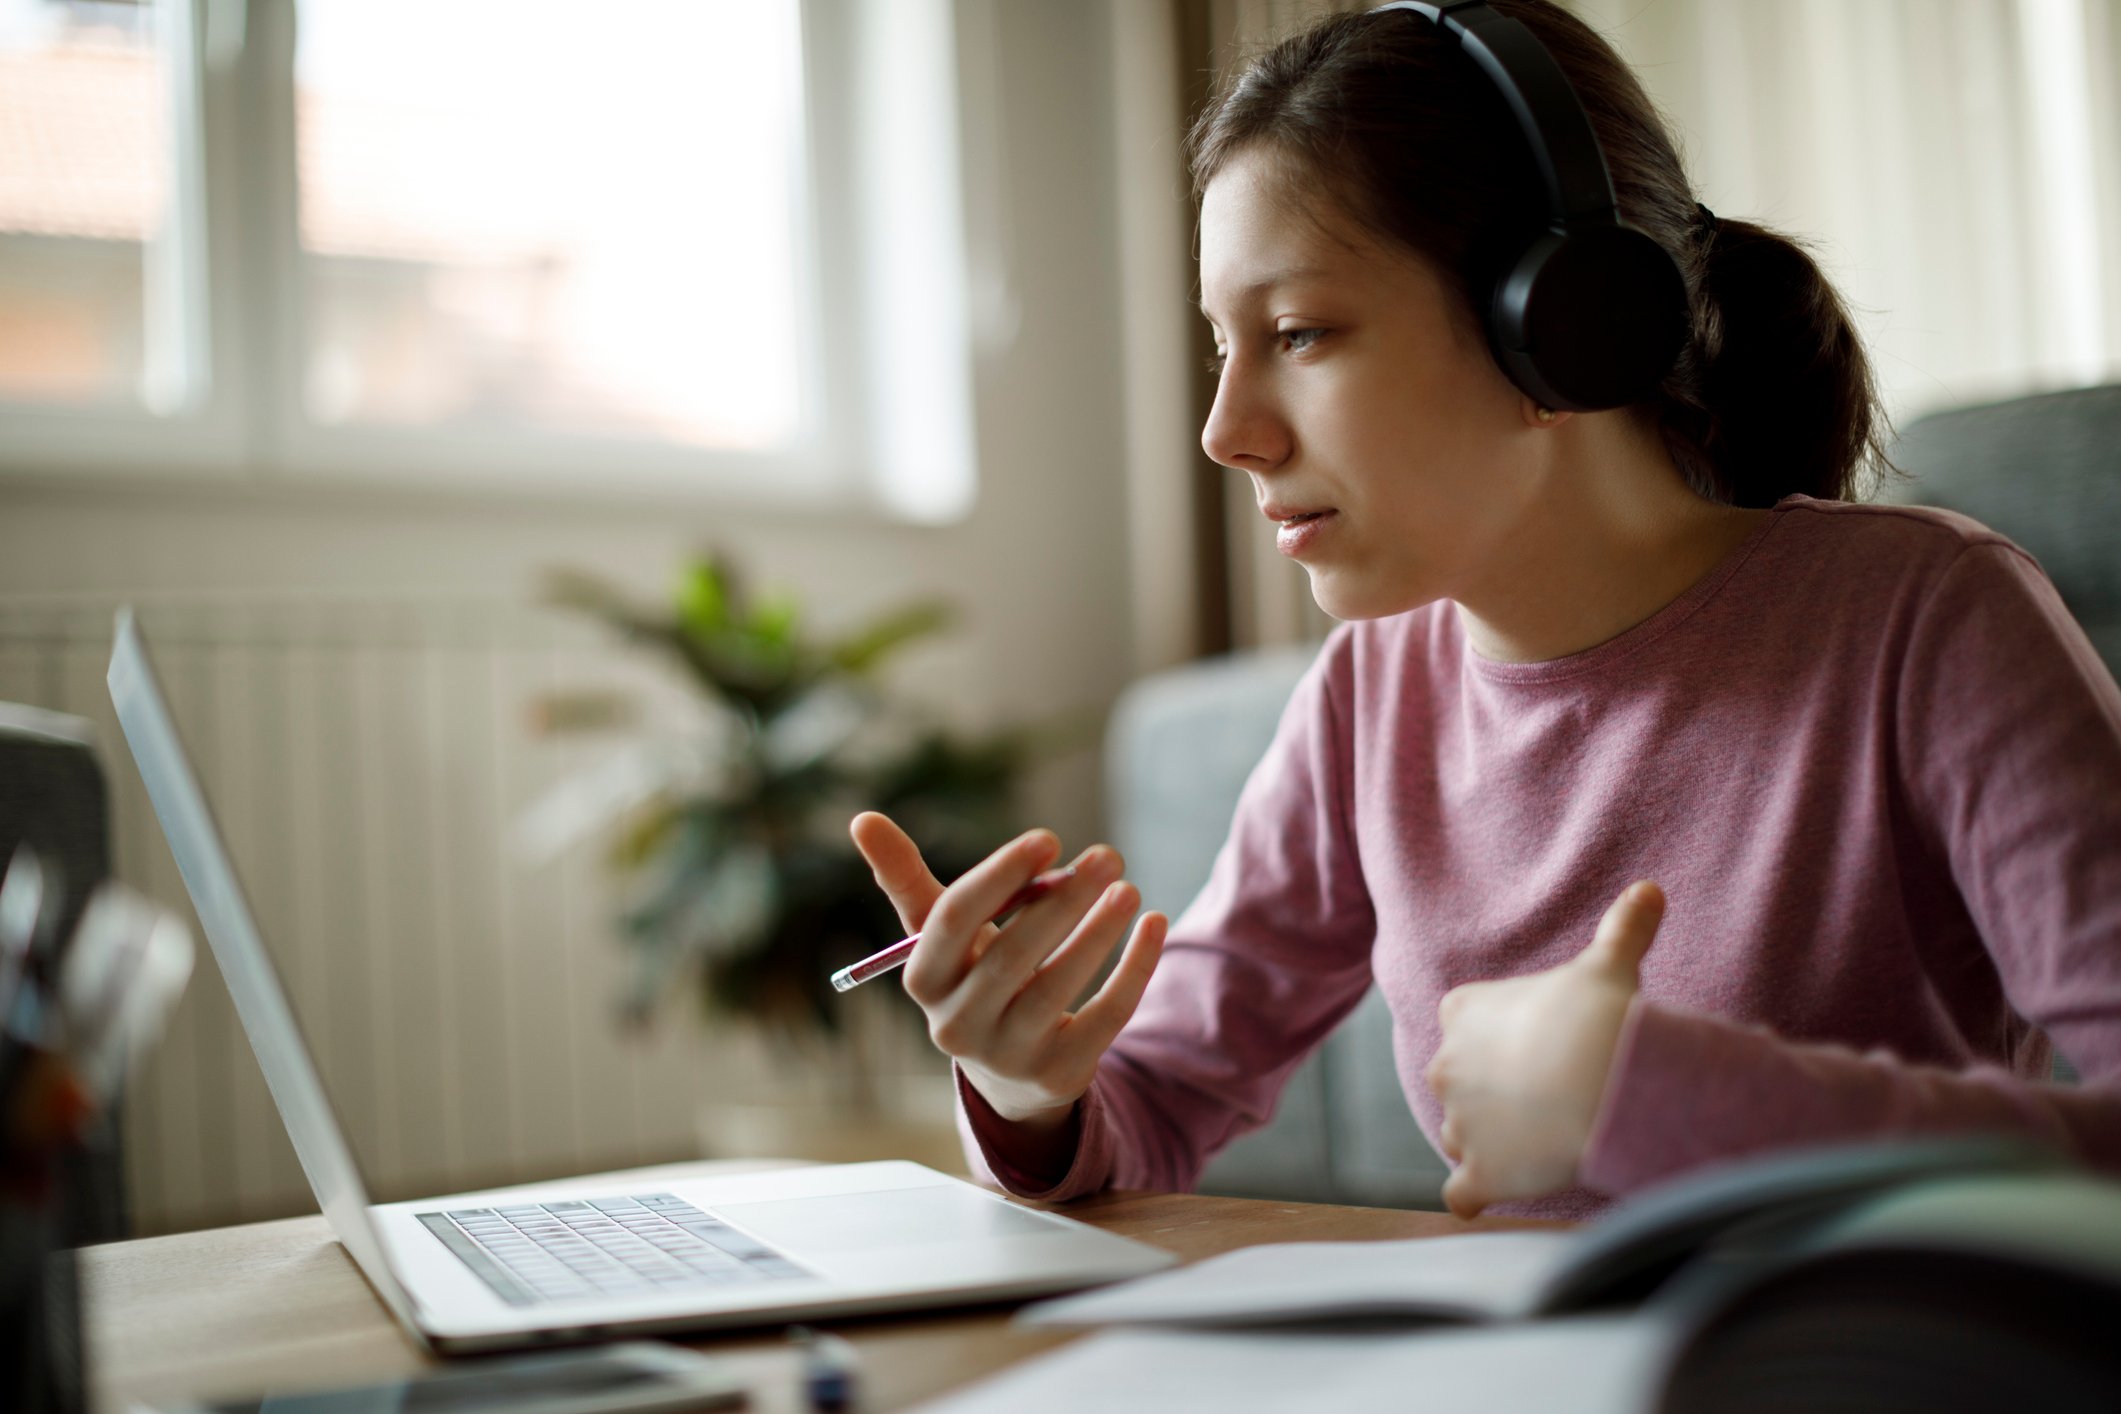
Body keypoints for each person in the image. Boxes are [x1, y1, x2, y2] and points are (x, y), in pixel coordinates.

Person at [850, 0, 2121, 1220]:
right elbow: (1158, 1102)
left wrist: (1697, 1104)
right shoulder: (1369, 693)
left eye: (1297, 332)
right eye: (1219, 347)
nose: (1224, 432)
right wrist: (1030, 1084)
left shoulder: (1928, 621)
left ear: (1561, 330)